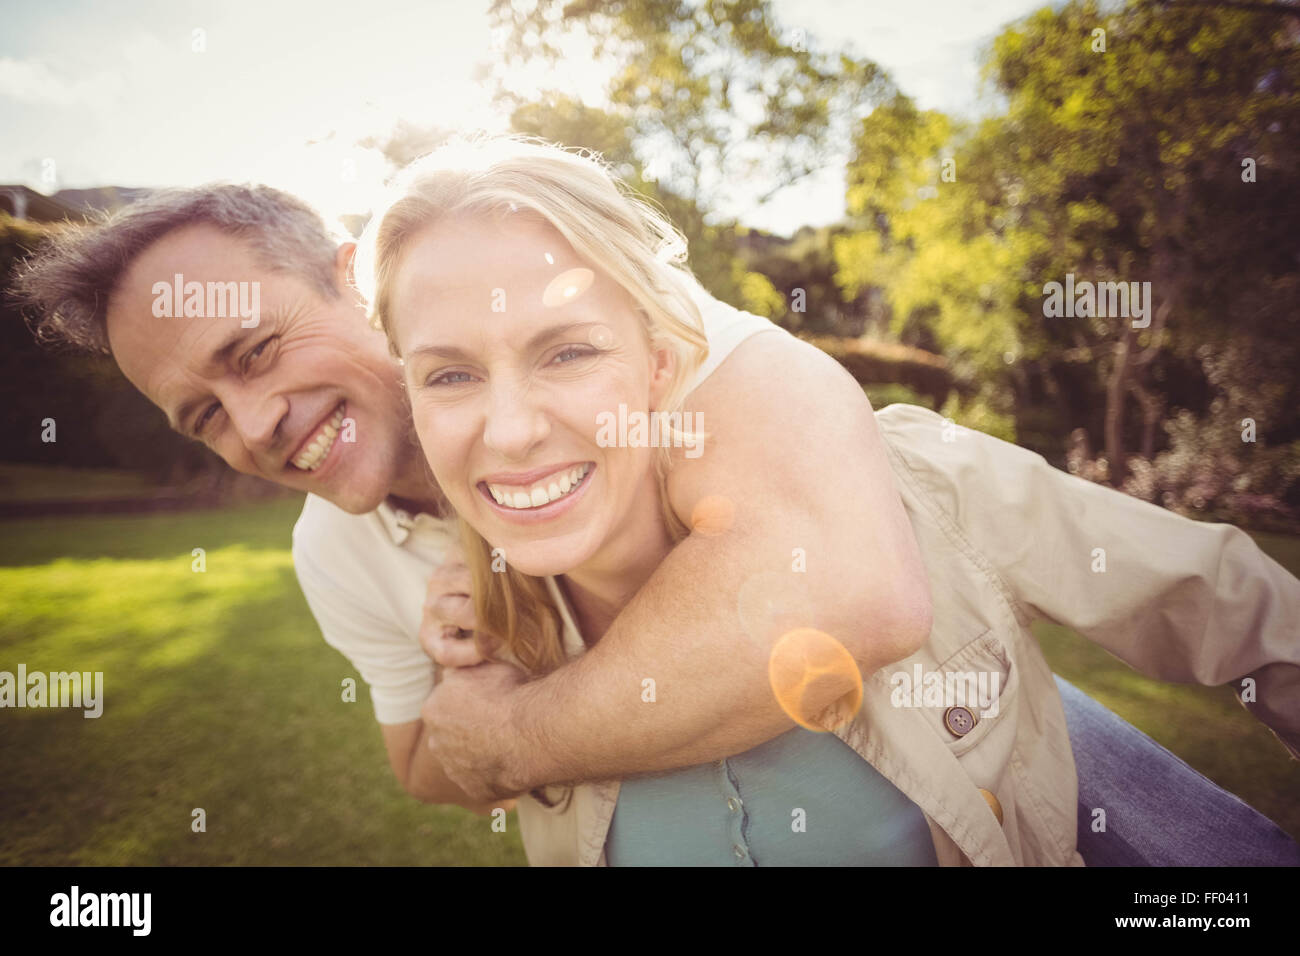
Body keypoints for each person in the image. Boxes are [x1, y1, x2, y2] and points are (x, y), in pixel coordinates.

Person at [13, 143, 1299, 865]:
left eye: (253, 352)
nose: (254, 426)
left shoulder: (702, 348)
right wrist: (481, 686)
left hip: (970, 738)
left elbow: (859, 593)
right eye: (203, 416)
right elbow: (427, 759)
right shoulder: (353, 557)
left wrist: (516, 733)